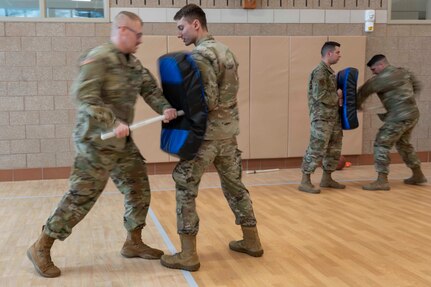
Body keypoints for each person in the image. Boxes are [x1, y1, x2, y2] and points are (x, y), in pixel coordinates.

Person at [26, 11, 177, 278]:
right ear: (122, 30)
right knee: (81, 197)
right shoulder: (100, 58)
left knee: (138, 187)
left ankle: (133, 241)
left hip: (121, 143)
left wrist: (165, 108)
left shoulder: (133, 64)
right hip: (96, 141)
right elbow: (83, 94)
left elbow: (150, 90)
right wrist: (111, 121)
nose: (141, 39)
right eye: (138, 34)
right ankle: (42, 246)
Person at [160, 4, 263, 272]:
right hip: (228, 135)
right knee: (234, 186)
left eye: (181, 27)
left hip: (205, 138)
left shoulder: (201, 57)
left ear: (196, 24)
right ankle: (251, 240)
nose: (179, 34)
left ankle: (187, 254)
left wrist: (176, 110)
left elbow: (208, 101)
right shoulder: (225, 51)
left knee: (184, 185)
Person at [357, 54, 427, 190]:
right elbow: (417, 86)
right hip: (412, 114)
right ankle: (418, 175)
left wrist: (357, 106)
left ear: (381, 65)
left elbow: (361, 93)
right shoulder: (404, 72)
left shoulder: (378, 80)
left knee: (381, 144)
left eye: (373, 69)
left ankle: (382, 180)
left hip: (398, 117)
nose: (373, 72)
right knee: (403, 144)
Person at [298, 41, 346, 194]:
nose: (340, 55)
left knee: (334, 148)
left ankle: (327, 178)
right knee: (317, 148)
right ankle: (305, 180)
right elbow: (319, 95)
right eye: (337, 52)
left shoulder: (329, 72)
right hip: (321, 118)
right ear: (329, 53)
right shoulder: (319, 72)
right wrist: (337, 96)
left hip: (332, 117)